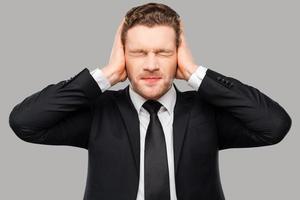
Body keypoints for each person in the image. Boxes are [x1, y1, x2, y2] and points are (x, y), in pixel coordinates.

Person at [9, 2, 292, 200]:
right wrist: (106, 75)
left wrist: (196, 73)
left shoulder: (205, 111)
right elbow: (25, 123)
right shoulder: (101, 112)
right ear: (123, 55)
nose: (151, 64)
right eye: (139, 52)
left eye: (163, 52)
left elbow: (274, 126)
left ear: (179, 54)